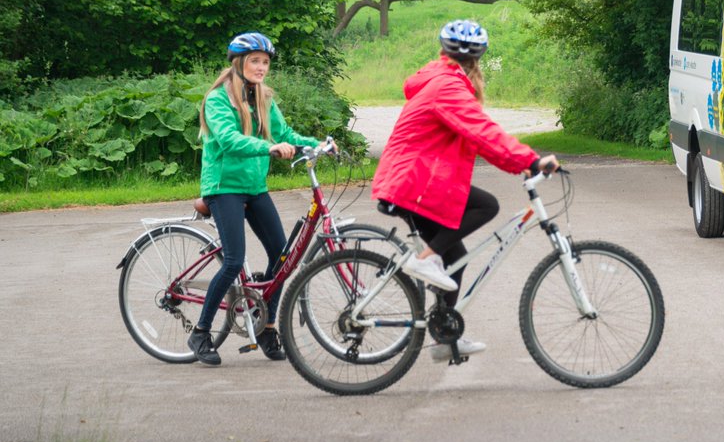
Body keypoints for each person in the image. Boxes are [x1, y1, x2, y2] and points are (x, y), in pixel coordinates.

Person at [371, 19, 558, 361]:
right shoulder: (448, 87)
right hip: (412, 182)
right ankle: (424, 261)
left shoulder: (440, 79)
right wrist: (530, 161)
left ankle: (445, 339)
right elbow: (483, 131)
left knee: (455, 259)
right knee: (486, 206)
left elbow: (479, 138)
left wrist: (517, 160)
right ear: (476, 61)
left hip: (414, 179)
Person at [187, 32, 326, 367]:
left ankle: (265, 326)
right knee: (234, 260)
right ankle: (201, 331)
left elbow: (286, 134)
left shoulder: (263, 98)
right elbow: (230, 140)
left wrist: (319, 144)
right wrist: (268, 147)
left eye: (265, 62)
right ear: (239, 63)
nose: (262, 67)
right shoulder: (219, 99)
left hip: (254, 187)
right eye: (255, 61)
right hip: (224, 187)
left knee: (282, 258)